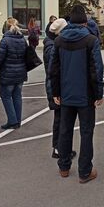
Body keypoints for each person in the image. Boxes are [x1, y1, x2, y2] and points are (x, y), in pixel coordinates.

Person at [49, 5, 104, 184]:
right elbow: (96, 69)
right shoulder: (91, 40)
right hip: (85, 95)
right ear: (85, 22)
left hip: (65, 94)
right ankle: (84, 171)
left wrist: (55, 92)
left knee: (65, 130)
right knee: (86, 132)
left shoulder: (58, 41)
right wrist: (98, 93)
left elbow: (54, 70)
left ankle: (64, 167)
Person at [43, 18, 76, 159]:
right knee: (60, 119)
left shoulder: (51, 43)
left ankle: (59, 147)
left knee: (61, 118)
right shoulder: (52, 46)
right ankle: (58, 148)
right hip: (55, 87)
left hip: (55, 86)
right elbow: (54, 69)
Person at [0, 18, 28, 130]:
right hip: (20, 72)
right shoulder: (22, 39)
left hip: (8, 72)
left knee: (6, 96)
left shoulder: (5, 40)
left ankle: (12, 120)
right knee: (17, 96)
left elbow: (0, 58)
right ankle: (17, 120)